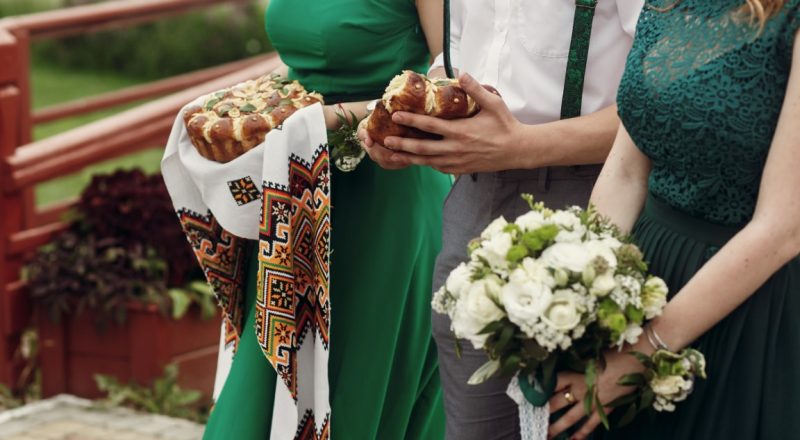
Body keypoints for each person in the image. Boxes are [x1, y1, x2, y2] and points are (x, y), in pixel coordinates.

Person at [360, 1, 644, 438]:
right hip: (472, 202)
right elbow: (459, 52)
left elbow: (662, 97)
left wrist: (525, 145)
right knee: (477, 425)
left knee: (582, 419)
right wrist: (419, 120)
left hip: (597, 196)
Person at [546, 1, 800, 439]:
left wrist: (640, 354)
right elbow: (626, 173)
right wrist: (584, 299)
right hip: (645, 277)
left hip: (748, 305)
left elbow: (781, 228)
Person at [202, 0, 450, 438]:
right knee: (263, 389)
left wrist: (330, 119)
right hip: (295, 193)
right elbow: (308, 59)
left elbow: (449, 86)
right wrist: (253, 109)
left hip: (384, 192)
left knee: (354, 396)